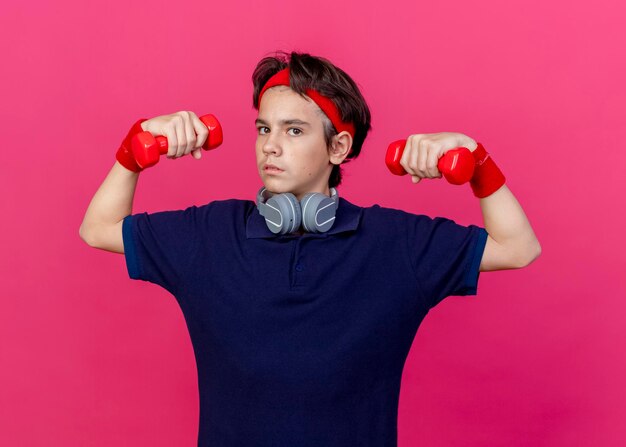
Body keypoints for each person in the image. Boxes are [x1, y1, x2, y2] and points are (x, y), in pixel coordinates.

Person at [79, 51, 541, 447]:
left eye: (294, 131)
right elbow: (98, 228)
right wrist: (134, 146)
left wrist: (477, 161)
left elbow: (518, 247)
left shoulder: (395, 243)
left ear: (338, 147)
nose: (270, 147)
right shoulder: (208, 234)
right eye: (263, 129)